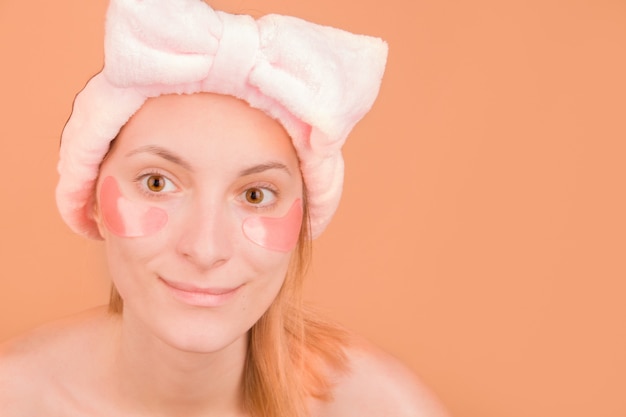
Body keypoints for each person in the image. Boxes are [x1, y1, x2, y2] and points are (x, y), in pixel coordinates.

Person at [0, 1, 449, 416]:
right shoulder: (15, 396)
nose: (205, 248)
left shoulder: (381, 407)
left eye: (255, 194)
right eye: (157, 183)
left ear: (301, 222)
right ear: (94, 199)